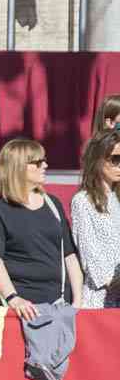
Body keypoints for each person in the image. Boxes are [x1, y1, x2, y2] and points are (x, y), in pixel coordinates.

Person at [0, 139, 84, 321]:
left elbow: (69, 255)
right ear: (18, 167)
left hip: (60, 303)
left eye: (44, 160)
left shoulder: (53, 203)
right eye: (38, 162)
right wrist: (13, 298)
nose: (45, 165)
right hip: (21, 308)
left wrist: (77, 301)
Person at [70, 130, 120, 308]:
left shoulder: (116, 198)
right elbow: (89, 256)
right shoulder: (83, 201)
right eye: (115, 159)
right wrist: (114, 281)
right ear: (97, 159)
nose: (119, 165)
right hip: (100, 299)